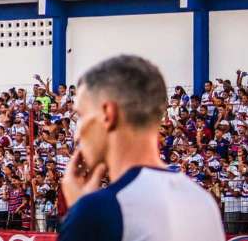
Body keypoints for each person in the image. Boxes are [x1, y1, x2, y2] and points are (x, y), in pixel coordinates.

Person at [58, 55, 224, 241]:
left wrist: (78, 211)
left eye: (81, 115)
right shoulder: (203, 202)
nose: (77, 134)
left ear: (108, 114)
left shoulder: (100, 209)